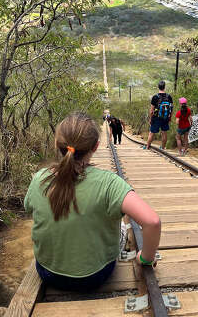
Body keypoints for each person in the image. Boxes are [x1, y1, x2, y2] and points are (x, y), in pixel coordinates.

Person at [24, 112, 160, 291]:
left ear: (57, 144)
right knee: (121, 227)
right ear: (95, 147)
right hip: (95, 276)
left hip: (48, 272)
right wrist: (146, 258)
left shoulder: (39, 178)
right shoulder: (109, 182)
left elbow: (29, 209)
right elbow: (152, 222)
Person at [143, 81, 173, 150]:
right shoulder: (169, 97)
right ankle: (162, 147)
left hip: (156, 117)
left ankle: (147, 147)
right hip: (165, 117)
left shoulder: (155, 97)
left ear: (158, 87)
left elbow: (151, 111)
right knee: (164, 133)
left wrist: (150, 119)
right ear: (164, 87)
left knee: (152, 133)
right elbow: (171, 108)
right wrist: (170, 117)